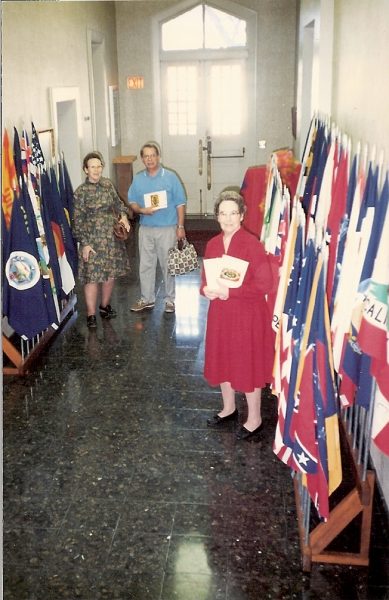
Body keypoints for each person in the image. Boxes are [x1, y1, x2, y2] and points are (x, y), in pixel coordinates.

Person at [200, 190, 274, 441]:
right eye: (223, 213)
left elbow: (263, 284)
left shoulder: (252, 244)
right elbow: (204, 279)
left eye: (233, 213)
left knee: (247, 363)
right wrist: (206, 291)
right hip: (221, 314)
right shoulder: (212, 244)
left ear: (242, 215)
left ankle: (254, 418)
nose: (228, 218)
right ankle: (229, 408)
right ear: (217, 216)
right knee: (223, 358)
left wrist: (229, 291)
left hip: (247, 315)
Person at [72, 152, 131, 329]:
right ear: (85, 170)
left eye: (99, 166)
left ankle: (104, 306)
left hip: (111, 238)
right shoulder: (80, 193)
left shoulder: (107, 185)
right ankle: (91, 315)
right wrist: (85, 243)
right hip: (92, 240)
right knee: (92, 277)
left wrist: (124, 216)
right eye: (92, 167)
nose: (96, 170)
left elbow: (119, 204)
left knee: (109, 274)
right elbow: (77, 220)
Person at [128, 141, 186, 313]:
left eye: (153, 155)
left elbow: (180, 203)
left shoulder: (170, 177)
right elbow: (132, 202)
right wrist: (141, 210)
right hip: (145, 229)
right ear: (142, 159)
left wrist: (180, 226)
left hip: (167, 228)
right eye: (146, 156)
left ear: (158, 157)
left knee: (168, 265)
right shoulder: (138, 179)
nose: (150, 159)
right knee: (145, 265)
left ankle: (170, 300)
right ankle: (147, 299)